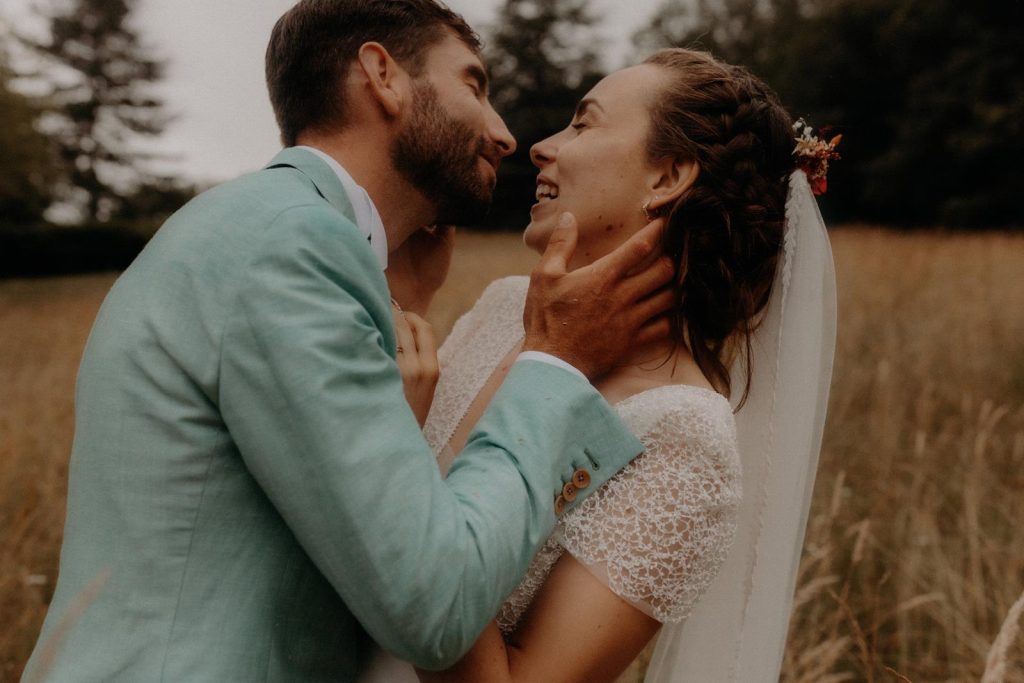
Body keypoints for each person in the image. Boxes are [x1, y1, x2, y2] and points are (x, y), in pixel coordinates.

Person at [20, 2, 679, 681]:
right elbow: (434, 606)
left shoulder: (263, 228)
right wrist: (557, 360)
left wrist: (392, 299)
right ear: (382, 76)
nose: (504, 134)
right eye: (475, 87)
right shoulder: (292, 243)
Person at [365, 48, 837, 682]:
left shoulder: (681, 437)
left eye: (584, 124)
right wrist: (406, 304)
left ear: (667, 177)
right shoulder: (509, 306)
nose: (541, 147)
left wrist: (402, 458)